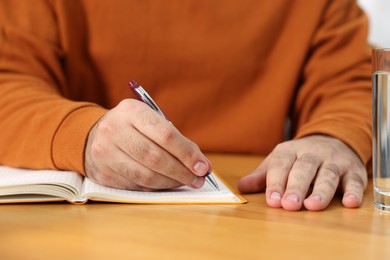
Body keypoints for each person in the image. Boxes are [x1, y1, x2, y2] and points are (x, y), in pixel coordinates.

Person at [0, 0, 371, 211]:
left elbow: (350, 84)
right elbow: (8, 80)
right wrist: (83, 136)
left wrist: (333, 137)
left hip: (254, 220)